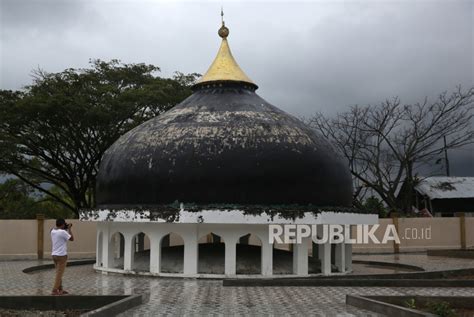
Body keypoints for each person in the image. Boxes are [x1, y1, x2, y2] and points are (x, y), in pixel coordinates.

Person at [51, 218, 74, 295]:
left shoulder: (52, 231)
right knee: (59, 274)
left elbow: (57, 230)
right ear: (63, 224)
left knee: (58, 272)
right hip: (62, 256)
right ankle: (54, 290)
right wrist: (69, 229)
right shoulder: (63, 232)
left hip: (54, 255)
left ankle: (60, 289)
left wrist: (65, 228)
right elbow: (72, 239)